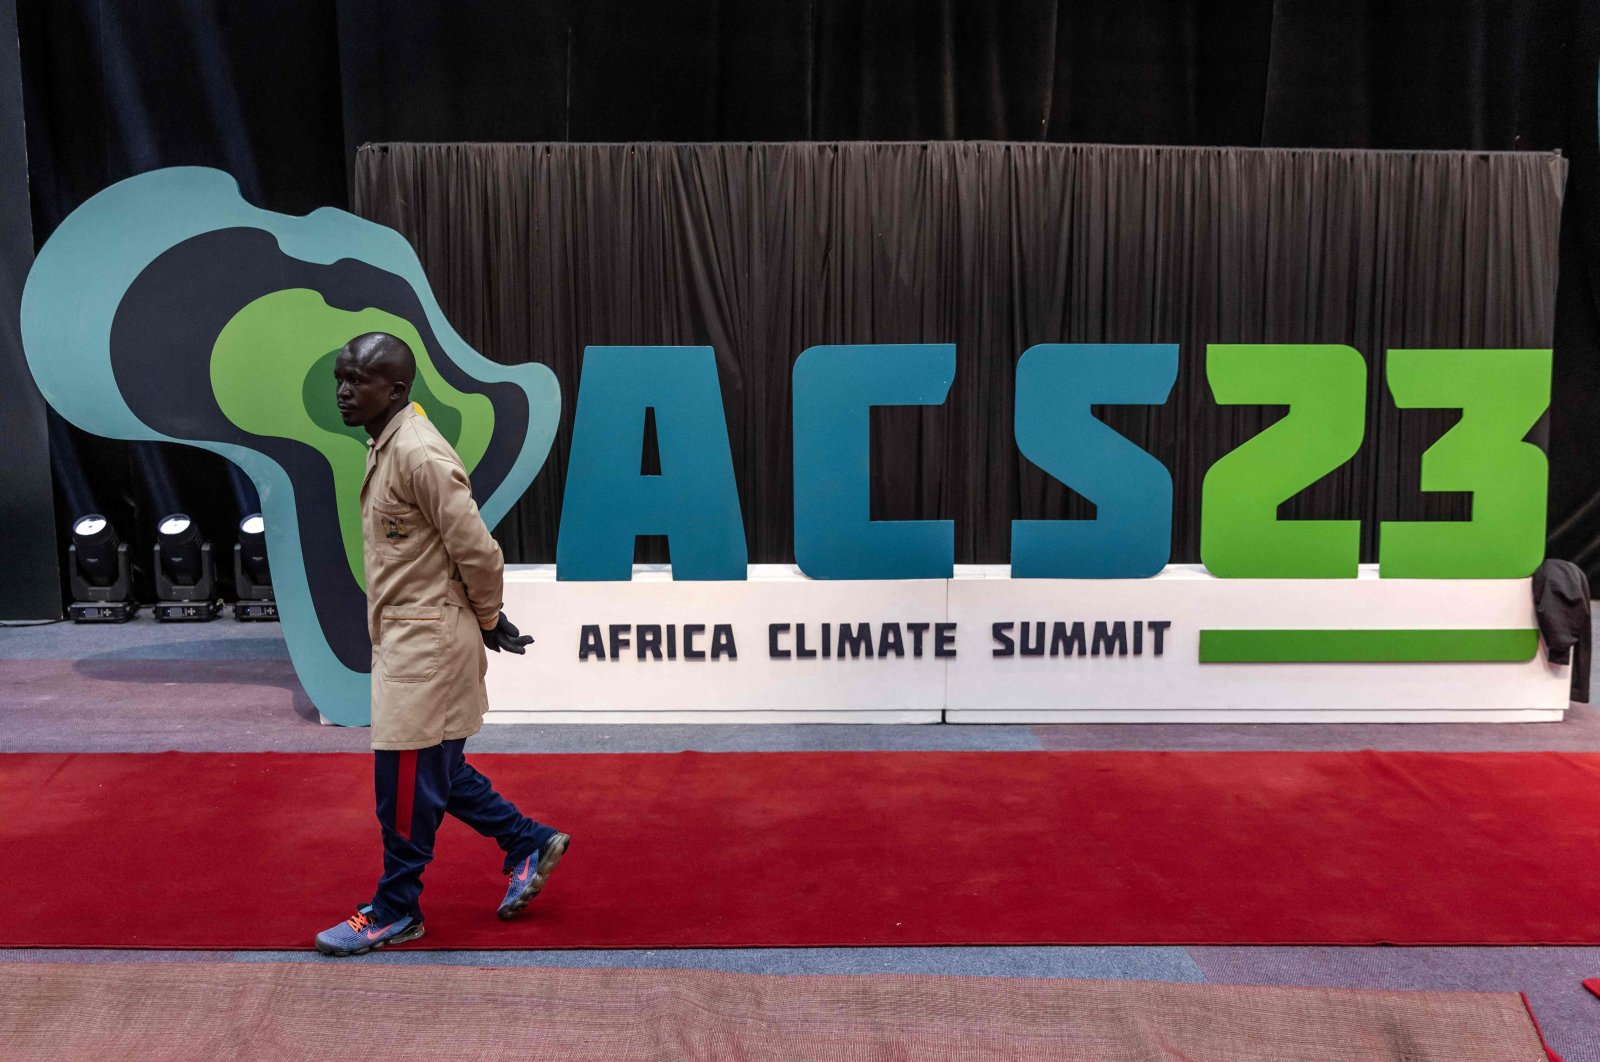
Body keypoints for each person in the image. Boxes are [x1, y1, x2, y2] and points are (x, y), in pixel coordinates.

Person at [315, 331, 569, 957]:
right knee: (438, 772)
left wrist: (488, 618)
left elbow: (477, 548)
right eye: (341, 377)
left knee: (402, 784)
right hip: (411, 635)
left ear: (397, 390)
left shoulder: (420, 453)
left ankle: (396, 909)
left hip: (426, 643)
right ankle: (528, 840)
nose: (344, 391)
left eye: (358, 380)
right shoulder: (386, 443)